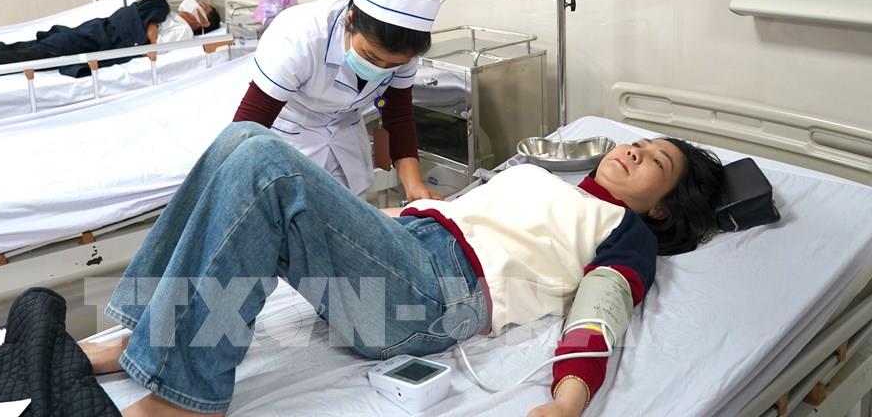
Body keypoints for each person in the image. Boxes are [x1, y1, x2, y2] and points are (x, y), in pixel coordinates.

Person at [80, 122, 725, 417]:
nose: (635, 150)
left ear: (662, 207)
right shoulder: (551, 181)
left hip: (433, 296)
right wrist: (366, 218)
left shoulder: (626, 233)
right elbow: (452, 214)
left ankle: (186, 400)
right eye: (640, 142)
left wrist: (567, 403)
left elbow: (600, 312)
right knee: (240, 140)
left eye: (656, 162)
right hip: (405, 249)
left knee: (264, 165)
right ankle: (148, 328)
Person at [232, 0, 442, 199]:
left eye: (394, 65)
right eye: (371, 57)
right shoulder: (300, 38)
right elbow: (248, 129)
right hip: (289, 133)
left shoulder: (404, 47)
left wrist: (414, 185)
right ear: (350, 20)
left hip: (344, 134)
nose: (381, 69)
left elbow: (398, 113)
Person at [0, 0, 222, 88]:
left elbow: (149, 44)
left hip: (93, 47)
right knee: (6, 52)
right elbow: (145, 23)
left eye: (204, 7)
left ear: (204, 21)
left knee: (11, 57)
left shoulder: (184, 33)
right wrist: (148, 30)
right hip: (91, 35)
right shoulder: (163, 7)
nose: (197, 3)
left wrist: (148, 32)